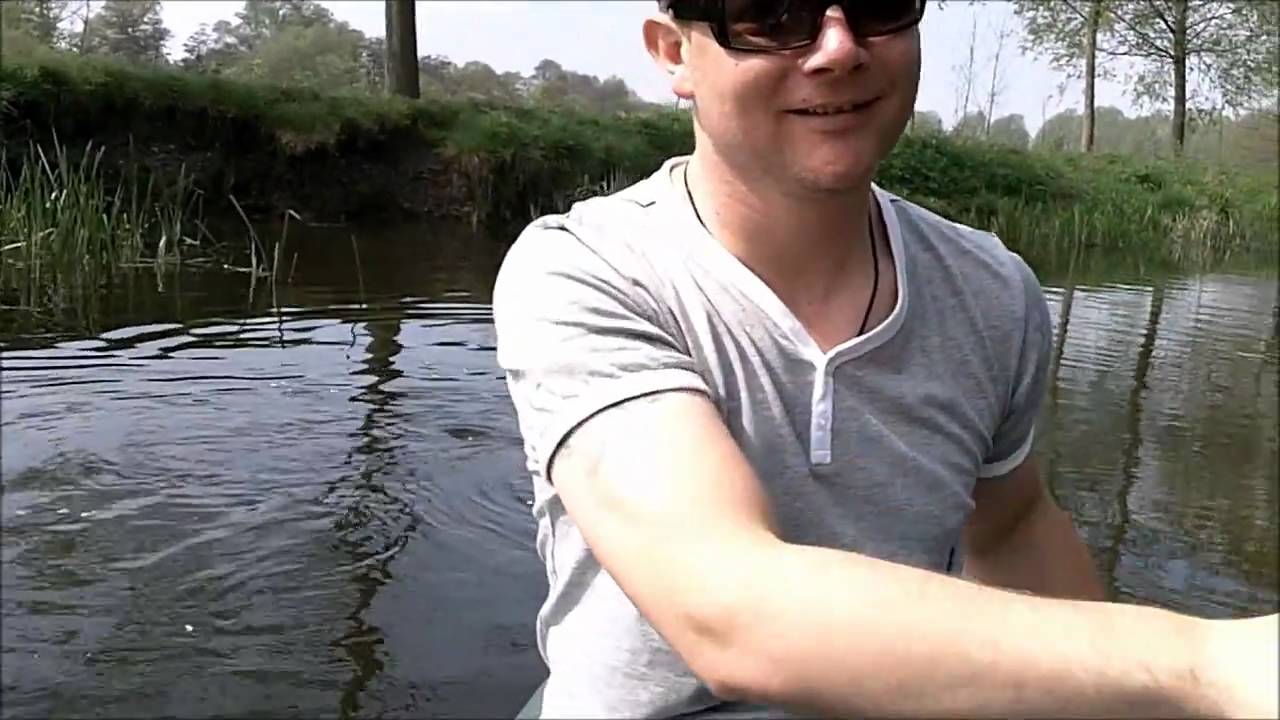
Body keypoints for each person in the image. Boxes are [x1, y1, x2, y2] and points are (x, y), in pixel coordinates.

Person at [491, 0, 1280, 717]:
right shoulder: (584, 270)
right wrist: (1203, 666)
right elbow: (727, 609)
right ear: (674, 53)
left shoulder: (993, 289)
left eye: (875, 4)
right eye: (769, 13)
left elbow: (1010, 527)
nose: (838, 48)